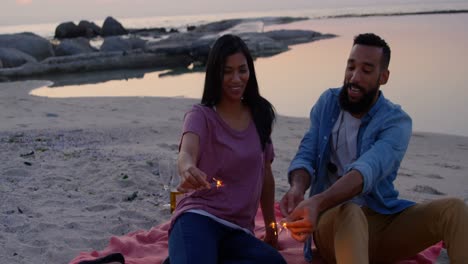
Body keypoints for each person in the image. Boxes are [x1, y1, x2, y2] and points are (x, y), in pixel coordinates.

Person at [280, 33, 468, 263]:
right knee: (350, 212)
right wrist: (297, 189)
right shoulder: (327, 103)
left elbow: (367, 170)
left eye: (366, 70)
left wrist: (317, 201)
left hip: (382, 224)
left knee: (454, 210)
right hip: (334, 224)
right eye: (351, 67)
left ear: (384, 77)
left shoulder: (396, 122)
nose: (354, 77)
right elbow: (306, 154)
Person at [168, 34, 286, 264]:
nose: (236, 79)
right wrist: (187, 168)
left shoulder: (260, 114)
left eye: (242, 70)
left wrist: (271, 227)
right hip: (198, 216)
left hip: (238, 230)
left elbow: (266, 174)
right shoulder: (200, 115)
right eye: (227, 71)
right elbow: (187, 153)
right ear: (215, 74)